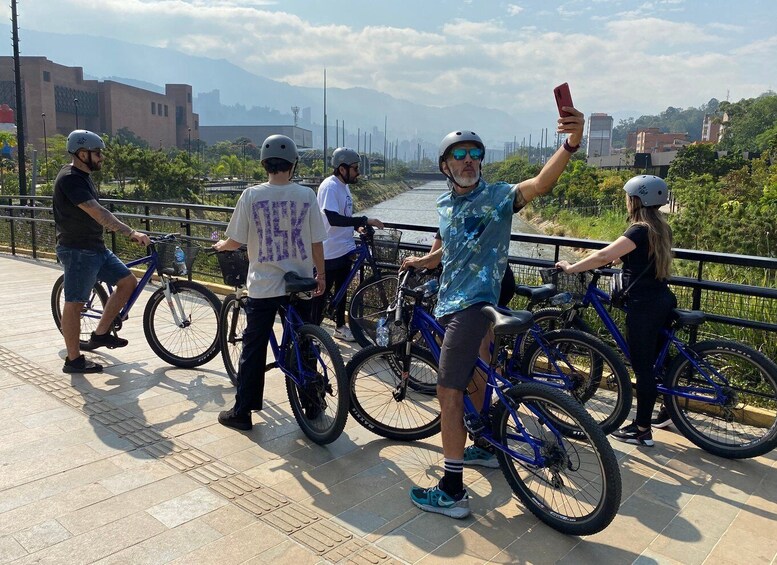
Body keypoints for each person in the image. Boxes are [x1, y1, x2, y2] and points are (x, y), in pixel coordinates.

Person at [401, 105, 584, 519]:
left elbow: (540, 183)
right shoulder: (446, 206)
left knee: (448, 394)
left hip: (474, 306)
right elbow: (452, 248)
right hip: (451, 303)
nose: (468, 161)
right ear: (445, 165)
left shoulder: (498, 197)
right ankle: (482, 445)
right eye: (459, 155)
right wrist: (423, 263)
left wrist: (571, 144)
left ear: (481, 161)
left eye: (474, 154)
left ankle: (451, 490)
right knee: (478, 375)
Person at [213, 134, 327, 431]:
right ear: (293, 164)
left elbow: (236, 240)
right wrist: (321, 276)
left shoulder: (251, 195)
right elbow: (317, 242)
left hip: (263, 284)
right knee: (304, 343)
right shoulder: (307, 195)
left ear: (264, 163)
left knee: (254, 348)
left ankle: (243, 412)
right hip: (299, 281)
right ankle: (312, 403)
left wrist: (221, 246)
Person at [556, 175, 676, 447]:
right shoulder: (660, 228)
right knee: (659, 360)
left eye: (627, 196)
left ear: (636, 200)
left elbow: (603, 257)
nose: (625, 201)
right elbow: (623, 255)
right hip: (662, 299)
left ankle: (642, 430)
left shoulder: (638, 230)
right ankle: (669, 410)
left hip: (643, 306)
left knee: (643, 367)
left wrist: (571, 268)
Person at [53, 129, 151, 374]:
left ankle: (100, 334)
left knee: (128, 282)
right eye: (97, 154)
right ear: (82, 153)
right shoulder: (70, 178)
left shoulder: (83, 176)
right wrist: (130, 232)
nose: (101, 158)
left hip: (96, 247)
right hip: (77, 250)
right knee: (75, 303)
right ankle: (73, 360)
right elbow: (97, 212)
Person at [311, 147, 383, 342]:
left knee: (342, 290)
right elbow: (333, 218)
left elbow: (344, 217)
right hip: (329, 251)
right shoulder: (330, 186)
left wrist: (356, 229)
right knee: (321, 294)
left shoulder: (344, 186)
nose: (358, 172)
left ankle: (340, 327)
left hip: (344, 247)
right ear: (342, 169)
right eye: (355, 168)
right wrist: (364, 221)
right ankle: (312, 334)